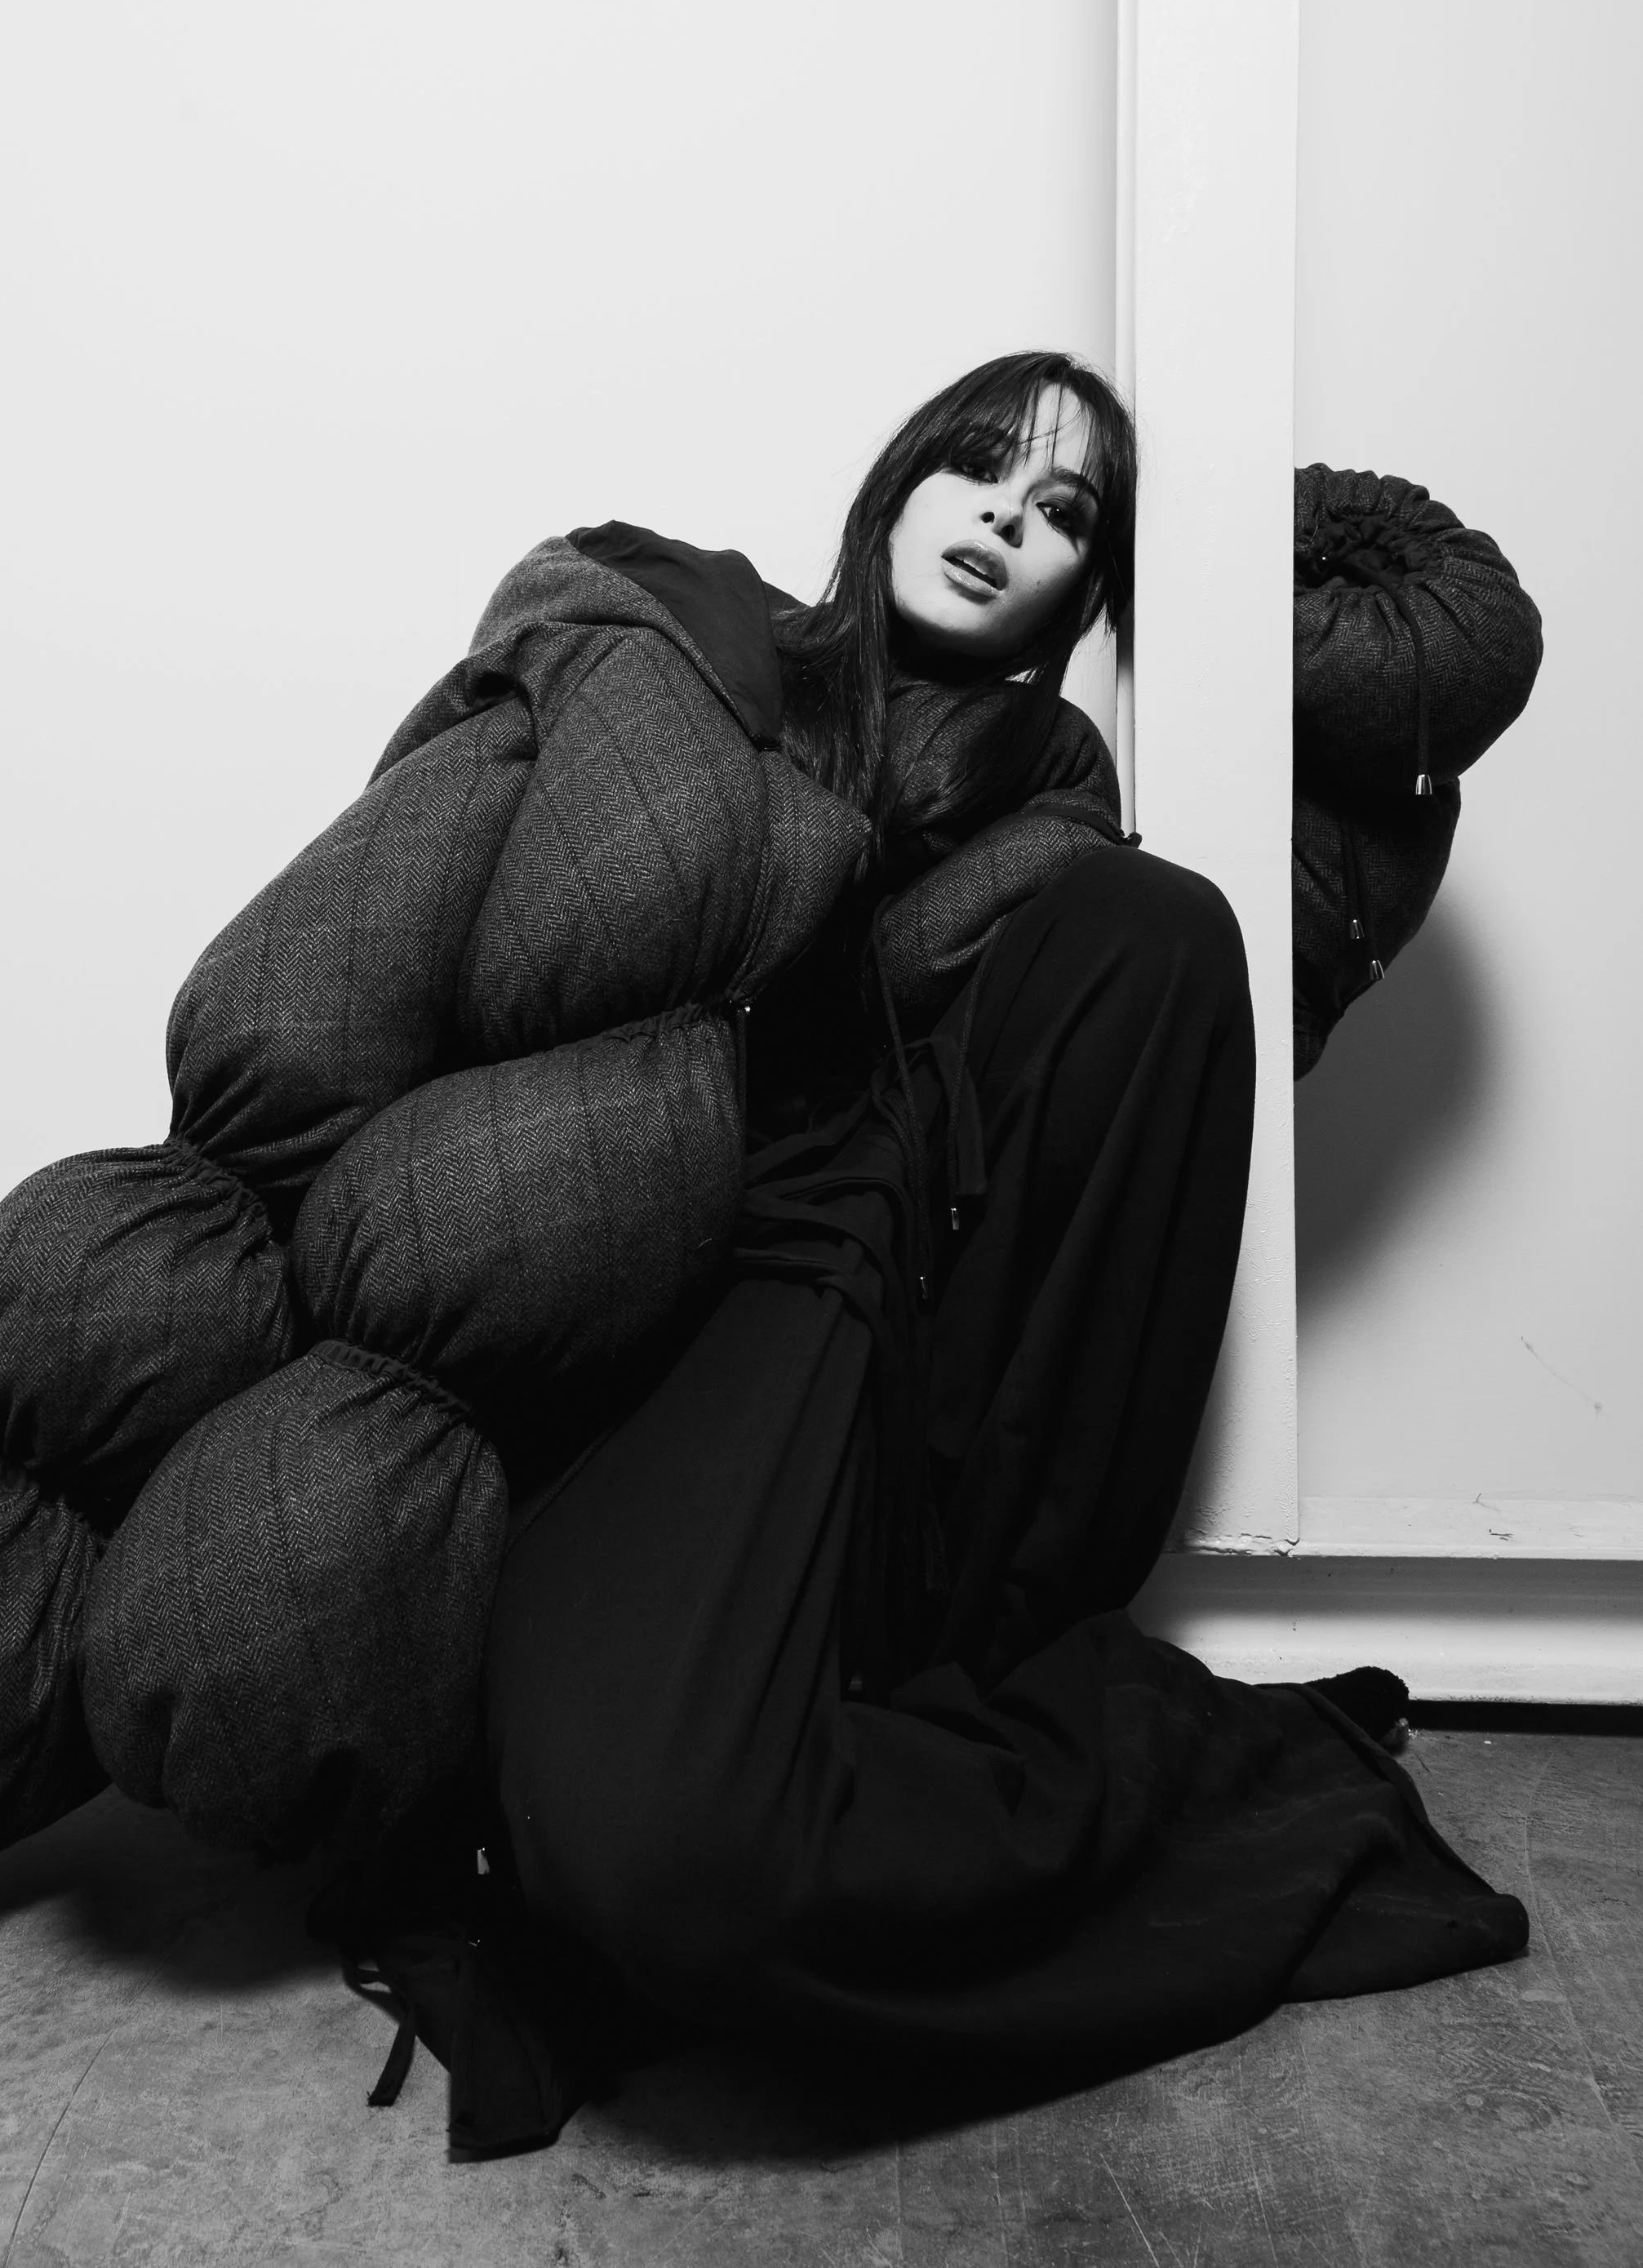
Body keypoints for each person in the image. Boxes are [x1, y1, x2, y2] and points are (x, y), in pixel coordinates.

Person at [478, 350, 1524, 2085]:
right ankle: (928, 1741)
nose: (1004, 520)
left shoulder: (1055, 794)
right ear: (895, 480)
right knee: (619, 1849)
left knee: (1164, 927)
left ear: (1086, 588)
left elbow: (1371, 766)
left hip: (857, 1293)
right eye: (975, 468)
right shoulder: (697, 661)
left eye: (1064, 515)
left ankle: (1042, 1727)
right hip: (611, 1264)